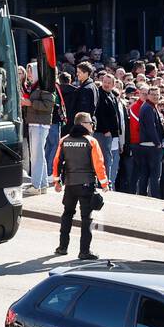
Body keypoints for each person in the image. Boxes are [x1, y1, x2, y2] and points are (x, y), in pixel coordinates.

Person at [51, 111, 109, 260]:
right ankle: (84, 251)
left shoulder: (64, 140)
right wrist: (104, 183)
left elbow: (57, 162)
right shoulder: (91, 141)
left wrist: (57, 182)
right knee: (86, 219)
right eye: (90, 123)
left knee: (67, 215)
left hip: (70, 184)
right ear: (83, 124)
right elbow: (99, 164)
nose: (92, 125)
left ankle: (62, 247)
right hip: (86, 184)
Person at [22, 64, 56, 193]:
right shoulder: (36, 86)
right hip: (36, 123)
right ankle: (42, 184)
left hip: (40, 124)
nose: (29, 74)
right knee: (38, 155)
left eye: (30, 72)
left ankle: (36, 185)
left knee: (37, 156)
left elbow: (48, 105)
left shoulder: (43, 86)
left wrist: (30, 103)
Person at [93, 72, 124, 189]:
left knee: (109, 158)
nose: (106, 84)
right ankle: (103, 182)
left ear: (113, 85)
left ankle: (105, 181)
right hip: (102, 132)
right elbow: (99, 113)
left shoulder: (111, 95)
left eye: (108, 83)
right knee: (104, 158)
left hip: (111, 134)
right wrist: (106, 129)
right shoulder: (99, 94)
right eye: (104, 82)